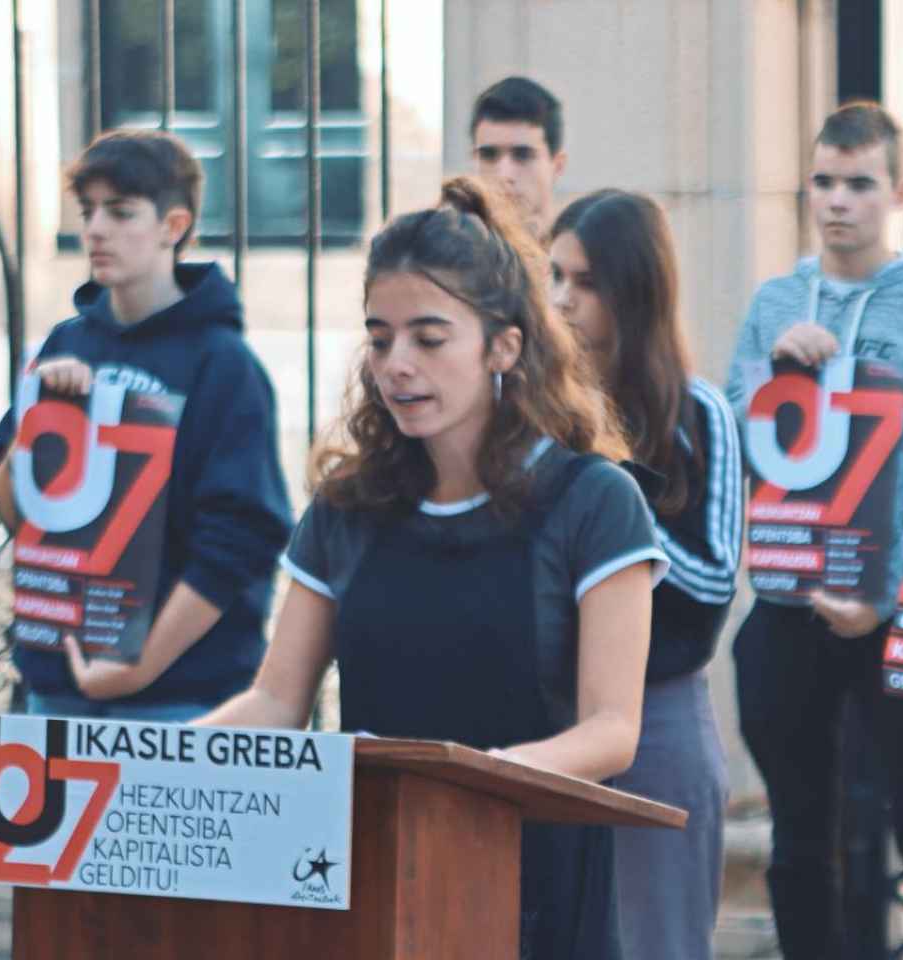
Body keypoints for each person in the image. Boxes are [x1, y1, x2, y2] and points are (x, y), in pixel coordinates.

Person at [200, 177, 667, 960]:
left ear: (504, 347)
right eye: (379, 339)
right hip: (377, 888)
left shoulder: (594, 502)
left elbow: (612, 730)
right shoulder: (347, 508)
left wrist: (466, 781)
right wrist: (154, 763)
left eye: (428, 336)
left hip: (537, 897)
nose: (397, 365)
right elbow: (276, 701)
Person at [722, 100, 903, 960]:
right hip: (791, 605)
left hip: (894, 619)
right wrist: (772, 378)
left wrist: (893, 598)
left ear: (900, 190)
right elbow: (730, 440)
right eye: (825, 181)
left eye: (860, 184)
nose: (838, 201)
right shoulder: (772, 302)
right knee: (801, 835)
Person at [0, 129, 293, 722]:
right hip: (56, 684)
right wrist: (39, 422)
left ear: (173, 226)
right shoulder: (65, 343)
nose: (95, 229)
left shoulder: (224, 365)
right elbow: (14, 516)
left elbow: (240, 541)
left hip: (181, 700)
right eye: (88, 211)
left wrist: (139, 667)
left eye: (120, 211)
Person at [549, 189, 742, 960]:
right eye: (554, 277)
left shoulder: (696, 415)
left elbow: (713, 582)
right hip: (544, 719)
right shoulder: (527, 410)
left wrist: (610, 493)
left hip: (657, 722)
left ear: (634, 290)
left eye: (586, 281)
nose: (562, 300)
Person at [471, 75, 568, 240]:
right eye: (488, 155)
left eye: (523, 155)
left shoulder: (586, 260)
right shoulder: (445, 259)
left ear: (557, 166)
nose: (504, 175)